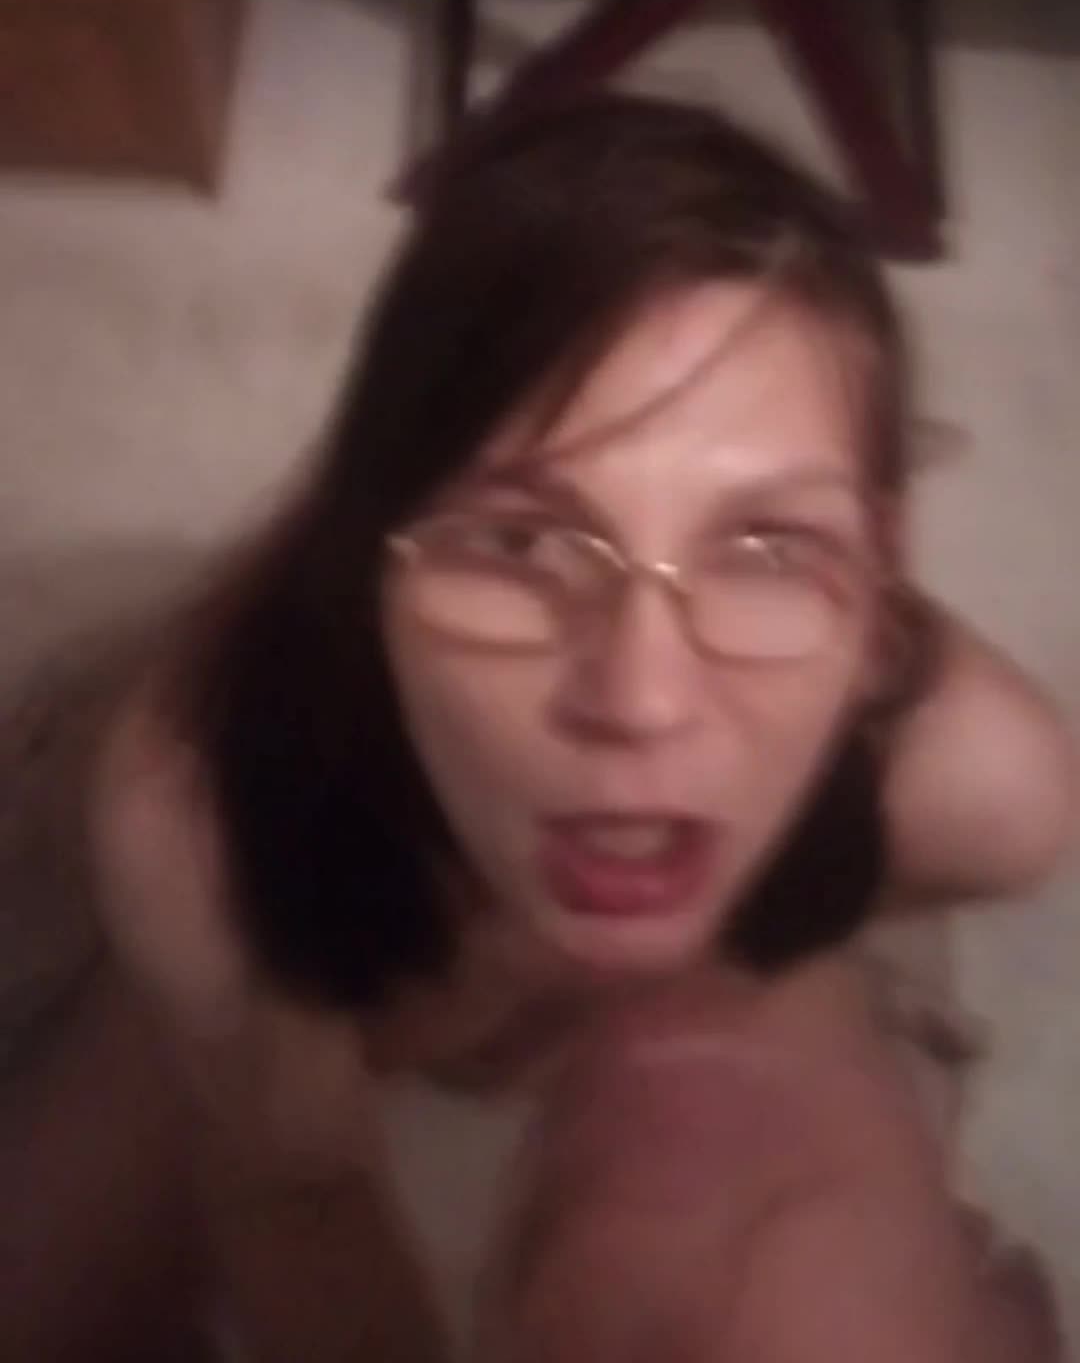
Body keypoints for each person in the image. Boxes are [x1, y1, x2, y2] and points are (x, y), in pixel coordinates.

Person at [1, 94, 1076, 1361]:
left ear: (882, 595)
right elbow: (296, 1189)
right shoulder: (196, 812)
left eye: (764, 546)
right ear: (370, 564)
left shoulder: (987, 786)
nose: (640, 699)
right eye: (518, 542)